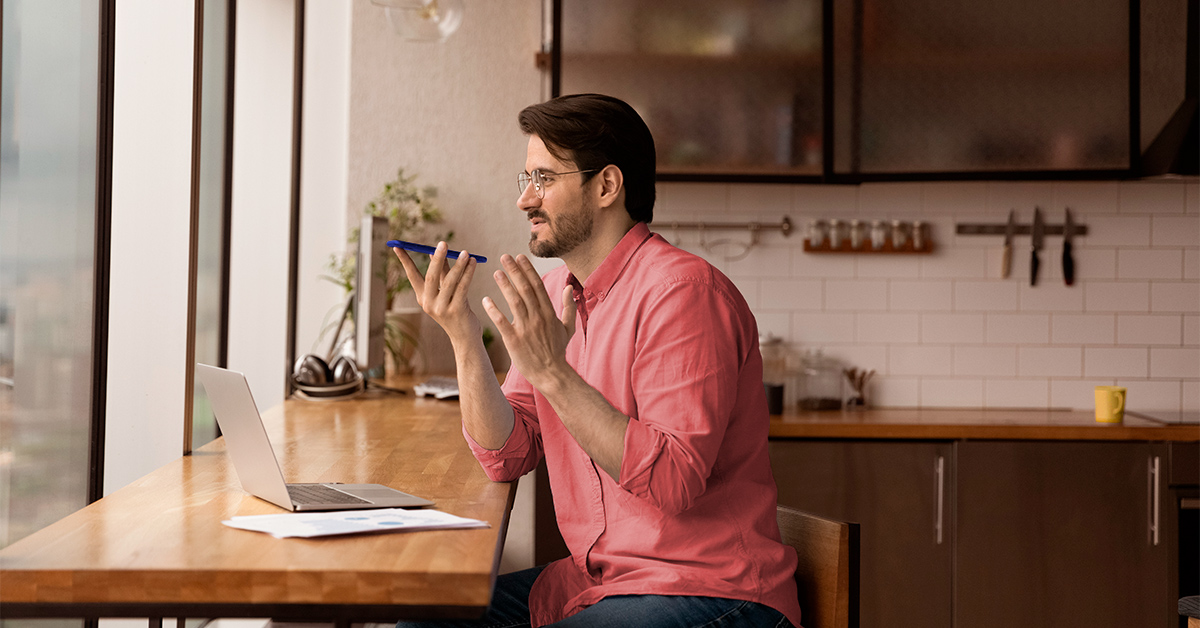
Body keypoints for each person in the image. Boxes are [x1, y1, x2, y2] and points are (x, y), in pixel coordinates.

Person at [393, 93, 801, 628]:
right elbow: (508, 454)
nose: (525, 200)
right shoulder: (558, 287)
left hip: (709, 592)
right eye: (525, 180)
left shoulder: (682, 292)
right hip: (598, 585)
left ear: (606, 185)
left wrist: (553, 373)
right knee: (422, 621)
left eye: (543, 178)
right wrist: (463, 336)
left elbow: (674, 482)